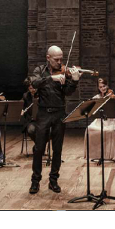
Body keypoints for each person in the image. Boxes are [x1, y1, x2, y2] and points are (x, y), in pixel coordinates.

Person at [29, 45, 80, 194]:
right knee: (39, 149)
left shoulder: (64, 72)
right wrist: (51, 77)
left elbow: (68, 92)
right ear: (48, 58)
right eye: (56, 59)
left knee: (57, 149)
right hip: (44, 113)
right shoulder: (39, 70)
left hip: (59, 113)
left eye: (61, 59)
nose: (60, 62)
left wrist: (74, 81)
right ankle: (35, 181)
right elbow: (34, 83)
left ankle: (53, 181)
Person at [84, 78, 115, 161]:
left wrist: (111, 99)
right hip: (99, 120)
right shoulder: (96, 97)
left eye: (104, 86)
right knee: (89, 129)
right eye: (100, 87)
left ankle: (109, 155)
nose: (103, 88)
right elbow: (92, 109)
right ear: (98, 88)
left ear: (107, 85)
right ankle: (95, 154)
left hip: (110, 120)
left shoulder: (112, 96)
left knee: (110, 131)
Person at [21, 78, 38, 145]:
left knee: (49, 131)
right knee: (31, 130)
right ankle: (39, 146)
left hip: (42, 120)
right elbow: (21, 106)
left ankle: (39, 146)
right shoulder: (25, 96)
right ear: (28, 88)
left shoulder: (41, 95)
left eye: (34, 88)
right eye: (31, 88)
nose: (33, 90)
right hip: (31, 121)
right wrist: (22, 110)